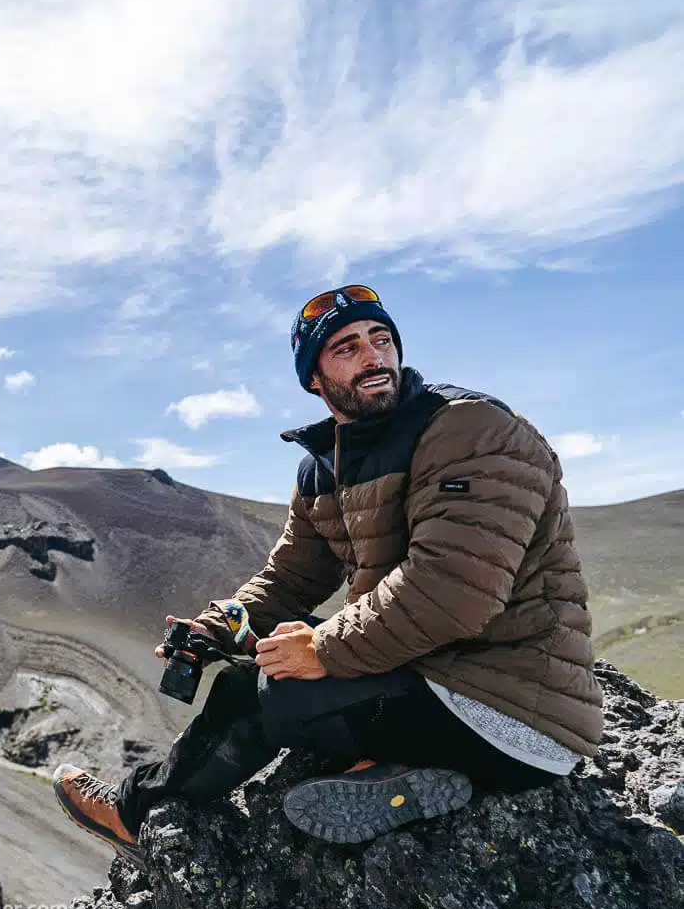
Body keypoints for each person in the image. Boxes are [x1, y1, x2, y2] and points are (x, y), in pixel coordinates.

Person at [52, 284, 603, 858]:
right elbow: (290, 578)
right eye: (346, 347)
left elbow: (450, 592)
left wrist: (323, 651)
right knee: (269, 651)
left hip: (511, 711)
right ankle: (397, 771)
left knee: (272, 687)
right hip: (440, 673)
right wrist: (217, 626)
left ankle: (132, 814)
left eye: (381, 340)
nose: (373, 356)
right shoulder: (325, 468)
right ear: (314, 377)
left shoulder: (468, 429)